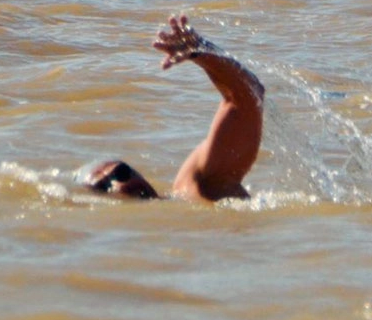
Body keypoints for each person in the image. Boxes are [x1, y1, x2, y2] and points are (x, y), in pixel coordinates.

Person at [85, 14, 265, 201]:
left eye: (121, 173)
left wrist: (201, 52)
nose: (118, 185)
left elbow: (248, 96)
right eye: (102, 187)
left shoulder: (199, 187)